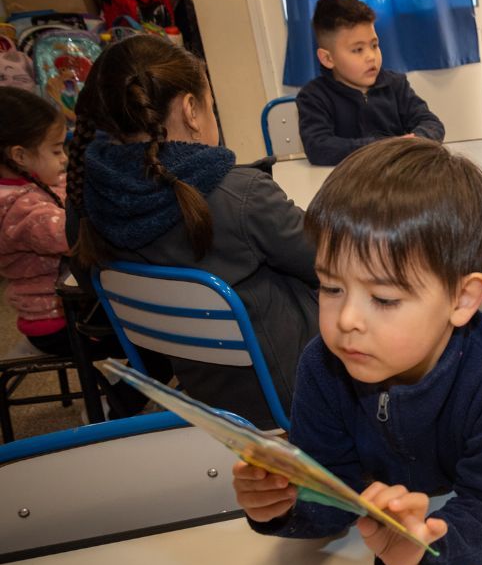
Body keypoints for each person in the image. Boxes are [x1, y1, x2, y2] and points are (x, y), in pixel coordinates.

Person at [231, 138, 482, 565]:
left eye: (384, 299)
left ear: (462, 299)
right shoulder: (323, 366)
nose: (347, 319)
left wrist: (420, 555)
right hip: (414, 489)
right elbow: (335, 491)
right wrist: (281, 506)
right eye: (331, 288)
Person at [67, 35, 319, 429]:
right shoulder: (242, 197)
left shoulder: (91, 201)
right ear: (191, 110)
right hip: (294, 393)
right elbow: (329, 262)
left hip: (200, 400)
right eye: (211, 105)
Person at [296, 0, 445, 166]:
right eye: (358, 50)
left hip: (398, 178)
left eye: (374, 45)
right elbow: (318, 148)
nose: (371, 56)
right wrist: (384, 147)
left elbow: (432, 124)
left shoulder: (396, 84)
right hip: (346, 183)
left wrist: (414, 141)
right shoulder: (313, 96)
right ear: (328, 59)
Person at [0, 88, 71, 354]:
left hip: (43, 315)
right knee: (148, 337)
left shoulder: (27, 186)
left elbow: (60, 192)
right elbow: (70, 235)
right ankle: (118, 396)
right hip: (57, 320)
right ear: (19, 156)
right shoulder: (20, 208)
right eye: (55, 151)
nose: (64, 158)